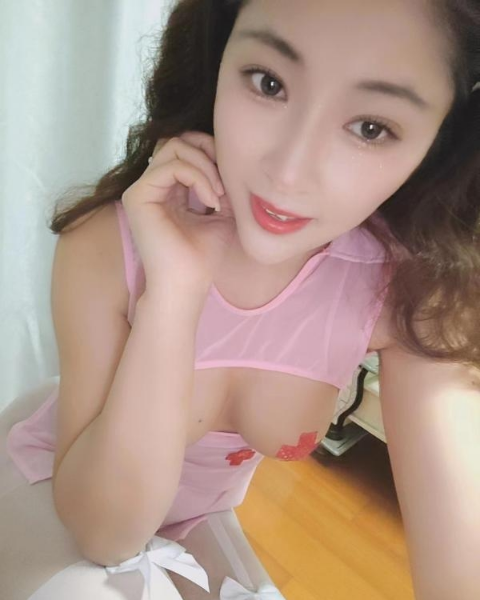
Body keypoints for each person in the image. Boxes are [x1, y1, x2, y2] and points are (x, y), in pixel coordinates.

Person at [1, 0, 479, 598]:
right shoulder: (106, 245)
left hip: (192, 518)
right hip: (63, 490)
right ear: (219, 56)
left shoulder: (407, 290)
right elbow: (106, 535)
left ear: (443, 142)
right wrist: (173, 296)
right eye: (269, 82)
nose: (289, 172)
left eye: (371, 128)